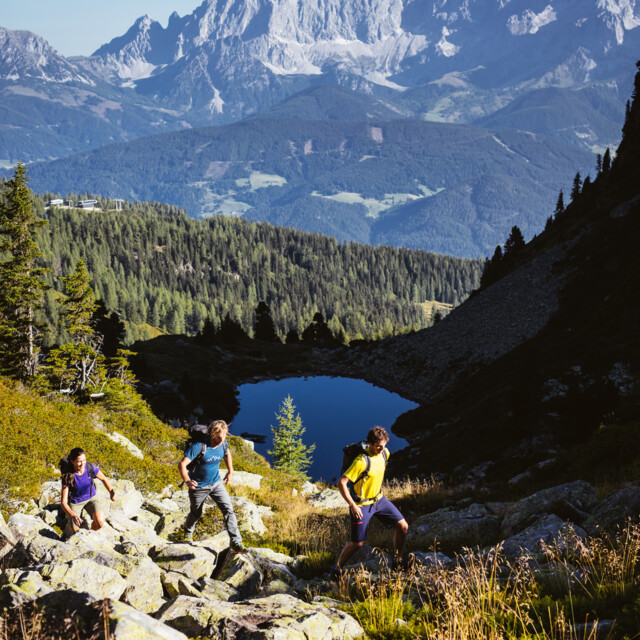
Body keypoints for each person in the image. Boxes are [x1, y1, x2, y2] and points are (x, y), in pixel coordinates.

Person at [333, 426, 409, 578]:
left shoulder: (384, 454)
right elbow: (341, 483)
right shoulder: (361, 461)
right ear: (370, 444)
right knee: (358, 543)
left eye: (384, 445)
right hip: (362, 505)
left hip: (379, 500)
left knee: (402, 526)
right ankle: (337, 569)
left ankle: (397, 560)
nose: (382, 449)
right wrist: (352, 505)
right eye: (378, 446)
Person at [178, 419, 247, 552]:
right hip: (198, 486)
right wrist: (187, 480)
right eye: (219, 437)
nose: (222, 439)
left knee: (228, 510)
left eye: (225, 435)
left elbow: (227, 455)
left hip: (216, 483)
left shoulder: (224, 443)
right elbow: (182, 464)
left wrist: (230, 471)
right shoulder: (199, 446)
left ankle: (236, 542)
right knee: (196, 512)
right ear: (213, 434)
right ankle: (188, 532)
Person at [60, 447, 116, 538]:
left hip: (91, 498)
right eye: (79, 461)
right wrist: (73, 515)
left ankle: (89, 534)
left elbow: (104, 479)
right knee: (76, 533)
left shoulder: (89, 468)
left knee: (100, 522)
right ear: (72, 461)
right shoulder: (68, 476)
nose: (82, 464)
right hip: (75, 502)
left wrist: (112, 493)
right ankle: (68, 530)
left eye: (84, 460)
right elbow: (63, 502)